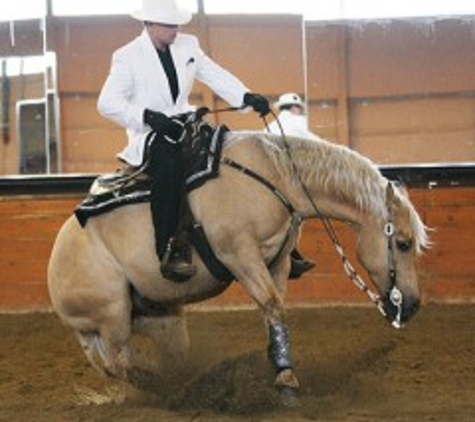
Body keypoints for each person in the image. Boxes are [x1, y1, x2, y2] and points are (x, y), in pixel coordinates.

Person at [97, 0, 270, 282]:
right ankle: (169, 248)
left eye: (176, 23)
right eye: (168, 24)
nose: (175, 29)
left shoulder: (188, 44)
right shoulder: (126, 56)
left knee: (231, 149)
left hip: (186, 123)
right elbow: (107, 103)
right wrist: (147, 116)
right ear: (149, 24)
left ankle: (273, 242)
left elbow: (215, 74)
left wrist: (246, 97)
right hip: (150, 134)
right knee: (168, 167)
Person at [266, 92, 317, 279]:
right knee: (296, 216)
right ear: (295, 108)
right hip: (287, 180)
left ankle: (289, 255)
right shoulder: (298, 122)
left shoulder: (270, 126)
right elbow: (318, 145)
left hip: (267, 181)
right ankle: (288, 255)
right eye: (299, 108)